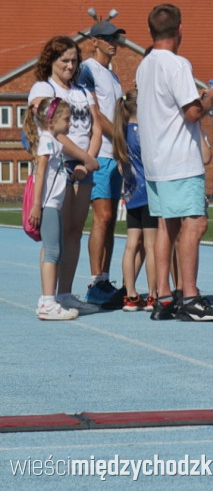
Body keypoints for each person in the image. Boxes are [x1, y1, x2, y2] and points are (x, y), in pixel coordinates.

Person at [136, 4, 213, 322]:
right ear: (179, 31)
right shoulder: (177, 64)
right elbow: (192, 112)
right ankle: (189, 295)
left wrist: (199, 99)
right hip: (179, 158)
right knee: (195, 222)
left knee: (167, 225)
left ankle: (163, 296)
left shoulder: (144, 65)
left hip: (155, 159)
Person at [28, 37, 101, 313]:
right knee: (55, 235)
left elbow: (95, 127)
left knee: (74, 232)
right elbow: (53, 130)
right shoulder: (42, 88)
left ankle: (66, 293)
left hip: (83, 167)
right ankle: (48, 297)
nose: (71, 66)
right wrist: (84, 158)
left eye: (74, 61)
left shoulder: (83, 91)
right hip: (59, 167)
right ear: (52, 61)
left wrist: (88, 161)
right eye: (65, 61)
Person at [79, 20, 126, 307]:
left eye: (116, 38)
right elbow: (96, 115)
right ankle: (95, 282)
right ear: (94, 41)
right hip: (99, 155)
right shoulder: (87, 70)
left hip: (116, 154)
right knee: (103, 216)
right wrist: (121, 141)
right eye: (107, 38)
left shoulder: (115, 77)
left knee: (110, 223)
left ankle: (105, 279)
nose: (113, 42)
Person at [24, 97, 77, 320]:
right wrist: (37, 205)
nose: (70, 123)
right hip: (48, 204)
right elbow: (41, 173)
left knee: (55, 250)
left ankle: (48, 299)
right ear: (51, 121)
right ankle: (48, 302)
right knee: (53, 252)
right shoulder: (47, 141)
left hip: (52, 203)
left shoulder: (53, 141)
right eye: (67, 119)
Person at [111, 89, 158, 311]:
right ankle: (154, 294)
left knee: (131, 245)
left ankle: (130, 295)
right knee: (151, 245)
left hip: (130, 194)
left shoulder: (122, 132)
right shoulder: (142, 131)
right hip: (147, 192)